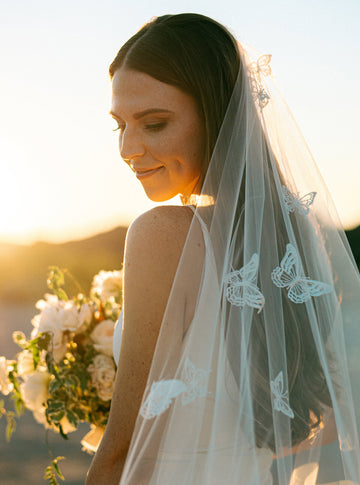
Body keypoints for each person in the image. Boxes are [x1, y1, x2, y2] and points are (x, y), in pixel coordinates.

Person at [86, 13, 360, 485]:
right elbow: (313, 422)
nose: (129, 148)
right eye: (120, 126)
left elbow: (125, 446)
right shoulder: (296, 240)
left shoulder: (160, 234)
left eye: (153, 123)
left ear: (216, 115)